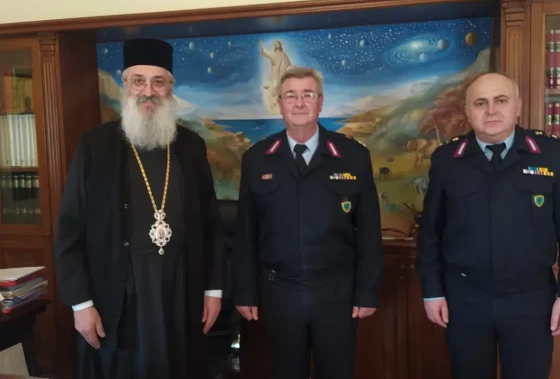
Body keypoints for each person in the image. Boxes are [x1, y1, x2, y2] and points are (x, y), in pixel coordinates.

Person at [54, 38, 225, 379]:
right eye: (138, 81)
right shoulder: (95, 146)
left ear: (170, 88)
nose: (148, 91)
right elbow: (70, 230)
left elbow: (211, 225)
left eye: (158, 82)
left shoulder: (191, 146)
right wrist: (81, 304)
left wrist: (213, 290)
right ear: (125, 86)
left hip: (180, 286)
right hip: (117, 289)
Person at [232, 66, 384, 379]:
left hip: (337, 294)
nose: (299, 103)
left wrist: (368, 291)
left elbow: (369, 231)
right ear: (279, 103)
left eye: (308, 95)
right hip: (280, 294)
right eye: (291, 96)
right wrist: (245, 291)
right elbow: (246, 231)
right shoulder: (257, 158)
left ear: (320, 102)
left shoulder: (353, 155)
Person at [416, 71, 560, 379]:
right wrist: (432, 292)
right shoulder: (446, 160)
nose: (491, 110)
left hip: (531, 300)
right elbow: (430, 233)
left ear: (518, 106)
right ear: (468, 111)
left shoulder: (551, 155)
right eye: (481, 103)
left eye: (501, 100)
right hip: (465, 298)